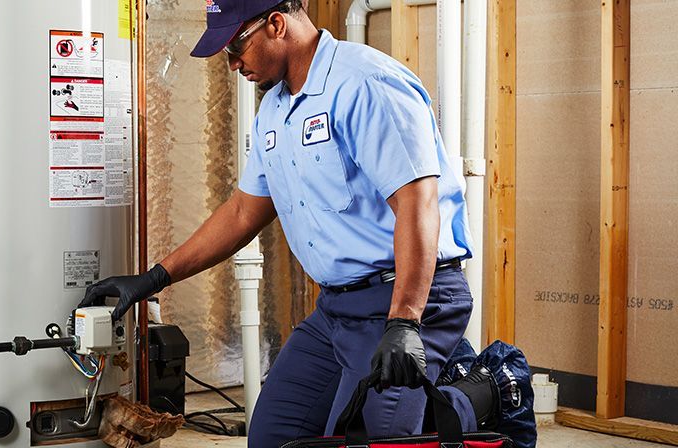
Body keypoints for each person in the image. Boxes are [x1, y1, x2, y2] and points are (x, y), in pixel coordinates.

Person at [80, 0, 511, 446]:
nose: (231, 65)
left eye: (235, 47)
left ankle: (487, 390)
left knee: (377, 439)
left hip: (408, 294)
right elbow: (243, 212)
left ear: (276, 24)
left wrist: (403, 323)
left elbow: (419, 203)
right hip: (339, 310)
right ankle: (428, 395)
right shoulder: (276, 110)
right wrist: (154, 278)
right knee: (273, 437)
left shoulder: (364, 83)